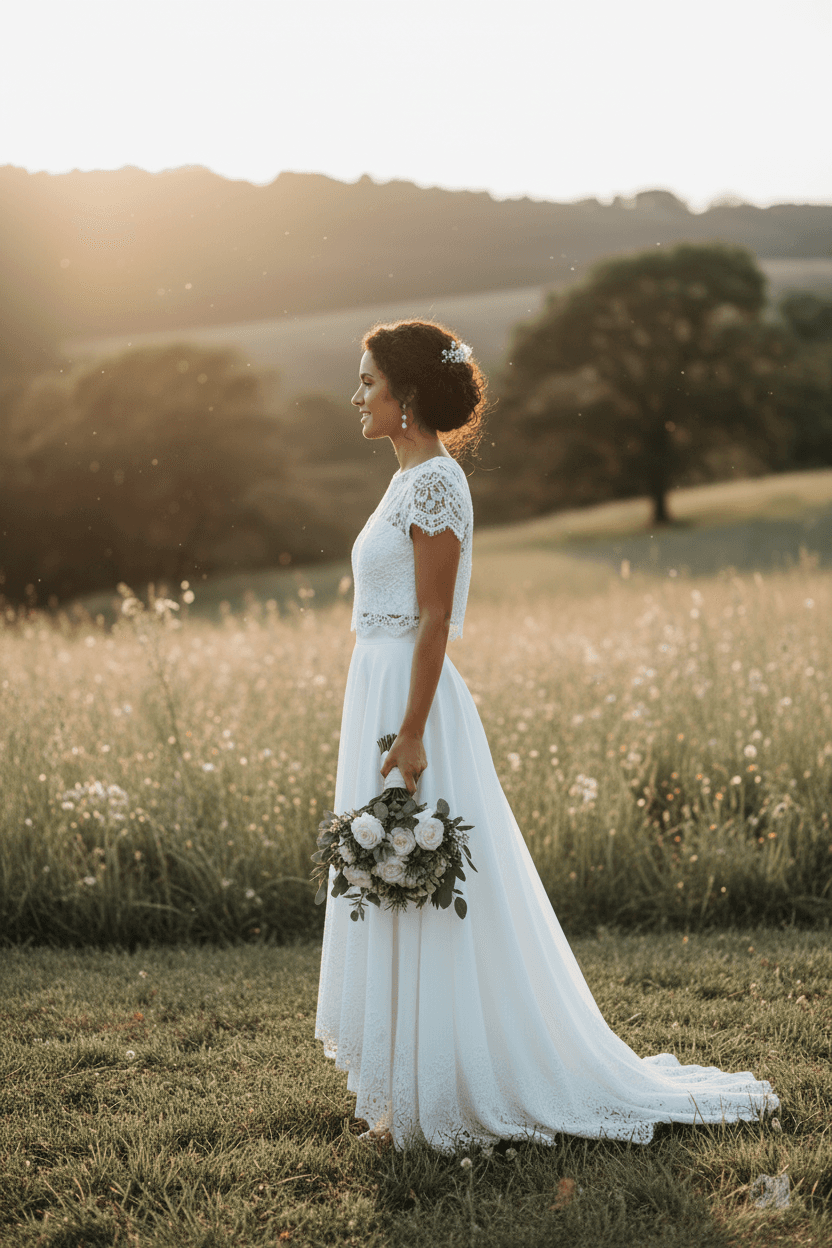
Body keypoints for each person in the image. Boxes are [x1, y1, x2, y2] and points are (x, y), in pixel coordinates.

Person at [315, 319, 778, 1152]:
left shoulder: (436, 484)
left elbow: (433, 619)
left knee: (426, 884)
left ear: (407, 395)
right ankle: (401, 1095)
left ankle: (435, 1098)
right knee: (392, 883)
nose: (356, 396)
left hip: (412, 707)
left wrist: (411, 732)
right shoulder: (404, 478)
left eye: (368, 382)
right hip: (378, 691)